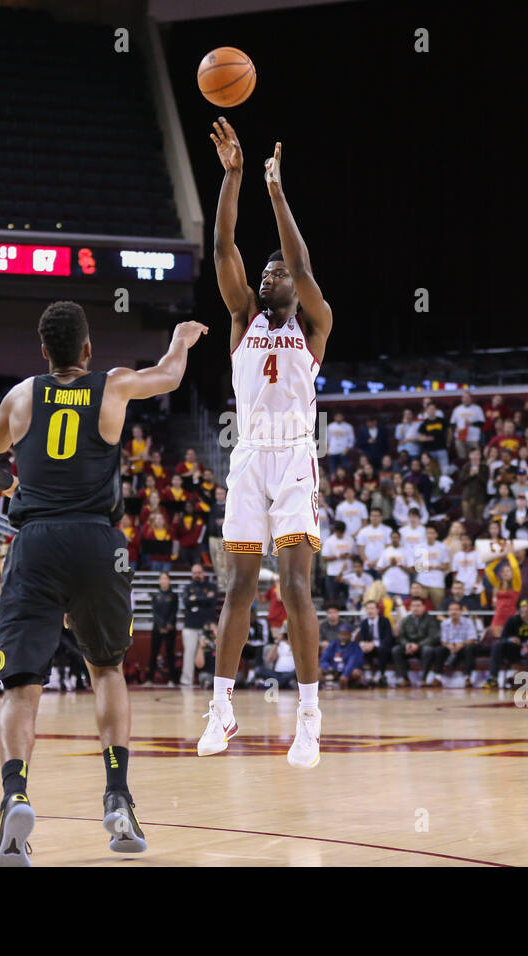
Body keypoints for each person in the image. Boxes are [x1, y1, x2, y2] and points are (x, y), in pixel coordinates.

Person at [0, 298, 205, 864]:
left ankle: (14, 797)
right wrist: (181, 340)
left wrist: (17, 489)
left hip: (37, 542)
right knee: (107, 669)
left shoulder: (21, 396)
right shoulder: (114, 385)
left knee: (21, 687)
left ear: (44, 351)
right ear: (89, 350)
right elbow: (169, 376)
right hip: (98, 541)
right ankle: (118, 797)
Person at [202, 118, 334, 770]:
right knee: (239, 586)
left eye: (276, 270)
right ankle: (221, 705)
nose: (269, 272)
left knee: (296, 586)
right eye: (265, 270)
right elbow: (223, 242)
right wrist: (233, 177)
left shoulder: (315, 326)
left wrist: (276, 193)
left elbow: (302, 262)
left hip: (294, 457)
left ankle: (308, 716)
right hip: (251, 454)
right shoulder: (240, 320)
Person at [147, 572, 179, 686]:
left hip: (170, 629)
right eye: (162, 578)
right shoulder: (156, 596)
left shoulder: (174, 596)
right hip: (157, 629)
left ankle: (172, 679)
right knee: (153, 653)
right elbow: (155, 612)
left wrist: (168, 625)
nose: (164, 580)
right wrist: (160, 625)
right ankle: (149, 679)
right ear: (159, 581)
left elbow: (174, 612)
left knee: (170, 653)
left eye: (166, 578)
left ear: (169, 581)